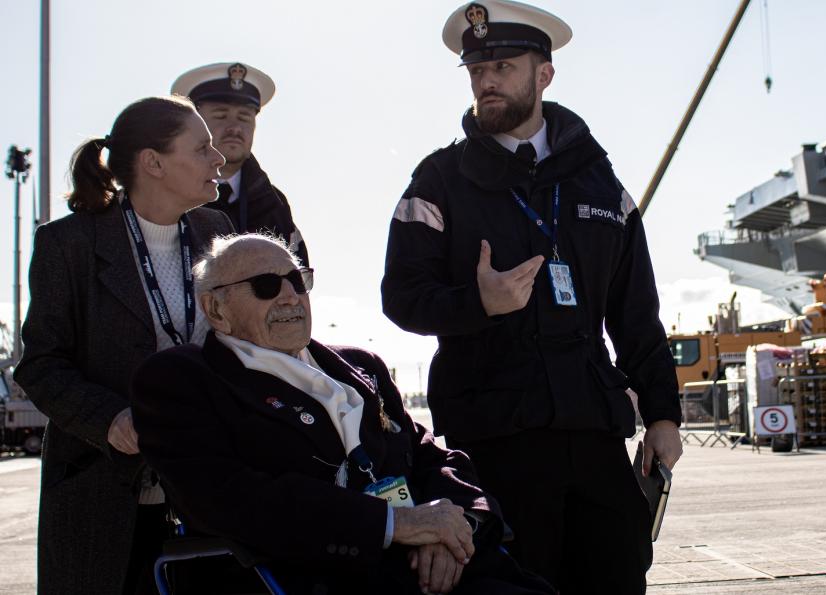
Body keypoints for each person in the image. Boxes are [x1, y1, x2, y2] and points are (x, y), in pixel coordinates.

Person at [381, 2, 683, 592]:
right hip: (494, 440)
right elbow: (401, 297)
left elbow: (636, 315)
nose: (486, 80)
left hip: (594, 431)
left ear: (544, 74)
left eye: (503, 66)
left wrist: (664, 414)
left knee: (618, 576)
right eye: (476, 70)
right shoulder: (438, 180)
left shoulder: (601, 183)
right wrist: (478, 303)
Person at [130, 234, 553, 594]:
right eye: (265, 285)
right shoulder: (183, 380)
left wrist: (454, 530)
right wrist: (394, 525)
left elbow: (430, 457)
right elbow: (227, 500)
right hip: (309, 574)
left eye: (297, 280)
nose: (290, 296)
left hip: (432, 566)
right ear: (216, 310)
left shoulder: (360, 365)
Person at [14, 96, 234, 595]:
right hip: (102, 498)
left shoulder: (216, 232)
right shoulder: (67, 245)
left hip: (207, 493)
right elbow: (41, 365)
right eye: (201, 148)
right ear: (153, 163)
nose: (217, 159)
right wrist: (110, 419)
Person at [171, 62, 309, 264]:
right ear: (195, 123)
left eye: (244, 117)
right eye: (221, 115)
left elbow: (298, 282)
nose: (234, 128)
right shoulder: (169, 194)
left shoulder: (273, 203)